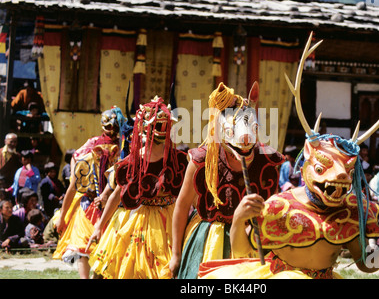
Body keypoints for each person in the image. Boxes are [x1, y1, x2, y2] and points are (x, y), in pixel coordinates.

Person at [198, 34, 379, 279]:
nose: (338, 179)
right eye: (322, 168)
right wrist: (239, 220)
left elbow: (365, 264)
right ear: (307, 163)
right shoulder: (278, 206)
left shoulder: (350, 211)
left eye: (346, 173)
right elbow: (246, 256)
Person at [170, 82, 284, 279]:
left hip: (252, 241)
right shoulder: (203, 160)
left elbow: (276, 208)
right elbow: (182, 205)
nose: (246, 140)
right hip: (208, 242)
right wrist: (176, 254)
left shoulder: (268, 161)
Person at [87, 97, 189, 279]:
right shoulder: (132, 162)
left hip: (169, 221)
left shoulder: (178, 160)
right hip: (135, 220)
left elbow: (190, 195)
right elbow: (116, 195)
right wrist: (99, 226)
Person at [53, 106, 126, 279]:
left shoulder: (92, 146)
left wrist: (63, 215)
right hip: (110, 205)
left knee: (86, 248)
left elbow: (74, 183)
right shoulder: (123, 148)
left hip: (91, 204)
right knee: (103, 248)